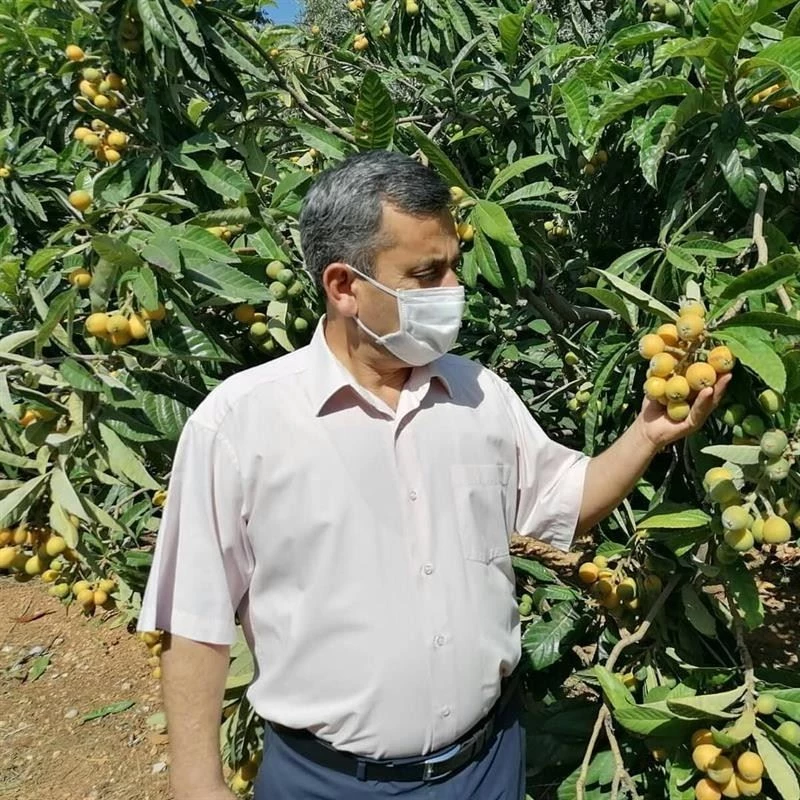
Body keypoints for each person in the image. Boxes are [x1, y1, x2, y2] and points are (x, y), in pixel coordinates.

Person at [137, 150, 728, 800]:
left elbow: (565, 502)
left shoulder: (480, 394)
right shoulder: (239, 424)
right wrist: (197, 781)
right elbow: (193, 617)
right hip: (326, 784)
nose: (453, 291)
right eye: (426, 273)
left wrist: (646, 433)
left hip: (487, 765)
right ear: (344, 286)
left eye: (454, 266)